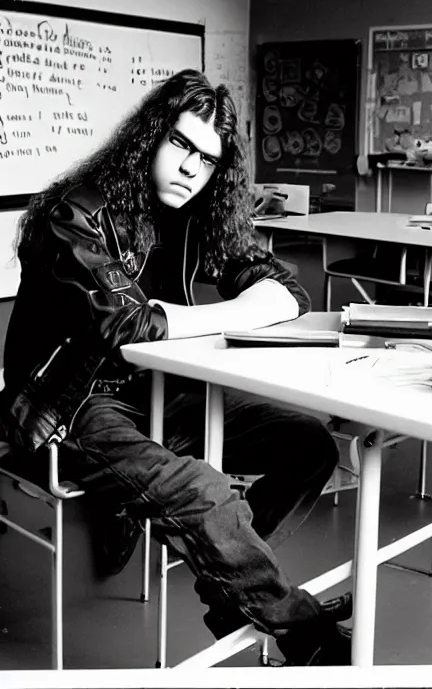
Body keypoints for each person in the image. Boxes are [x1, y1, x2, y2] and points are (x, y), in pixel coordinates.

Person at [0, 69, 352, 666]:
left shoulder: (201, 215)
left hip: (157, 393)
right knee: (207, 492)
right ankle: (303, 633)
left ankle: (231, 594)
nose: (192, 168)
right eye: (182, 145)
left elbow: (286, 290)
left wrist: (208, 308)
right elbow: (129, 322)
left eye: (208, 160)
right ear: (149, 140)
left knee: (311, 446)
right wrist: (225, 311)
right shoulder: (76, 213)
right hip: (71, 404)